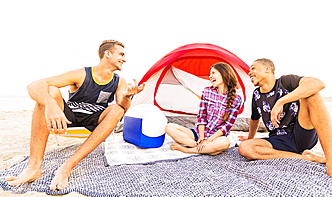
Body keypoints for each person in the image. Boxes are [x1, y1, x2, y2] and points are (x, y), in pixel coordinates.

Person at [6, 40, 145, 191]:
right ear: (108, 54)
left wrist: (126, 97)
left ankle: (67, 167)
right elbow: (34, 85)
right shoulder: (81, 74)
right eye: (121, 54)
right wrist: (51, 104)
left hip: (95, 120)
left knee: (116, 109)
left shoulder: (119, 81)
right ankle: (34, 167)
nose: (124, 59)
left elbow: (122, 108)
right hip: (69, 116)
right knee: (50, 90)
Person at [238, 58, 332, 191]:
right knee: (245, 148)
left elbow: (317, 83)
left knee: (312, 96)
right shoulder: (256, 95)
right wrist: (250, 138)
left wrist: (281, 102)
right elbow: (254, 119)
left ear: (267, 69)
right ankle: (306, 158)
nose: (250, 72)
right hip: (278, 139)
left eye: (253, 68)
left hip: (301, 132)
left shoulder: (285, 81)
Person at [165, 62, 243, 155]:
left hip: (215, 137)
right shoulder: (207, 92)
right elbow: (202, 117)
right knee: (169, 127)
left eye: (213, 73)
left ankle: (188, 150)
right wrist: (202, 138)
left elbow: (227, 126)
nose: (210, 76)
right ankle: (199, 147)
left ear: (224, 74)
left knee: (224, 143)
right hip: (198, 134)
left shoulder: (236, 99)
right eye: (210, 74)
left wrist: (209, 140)